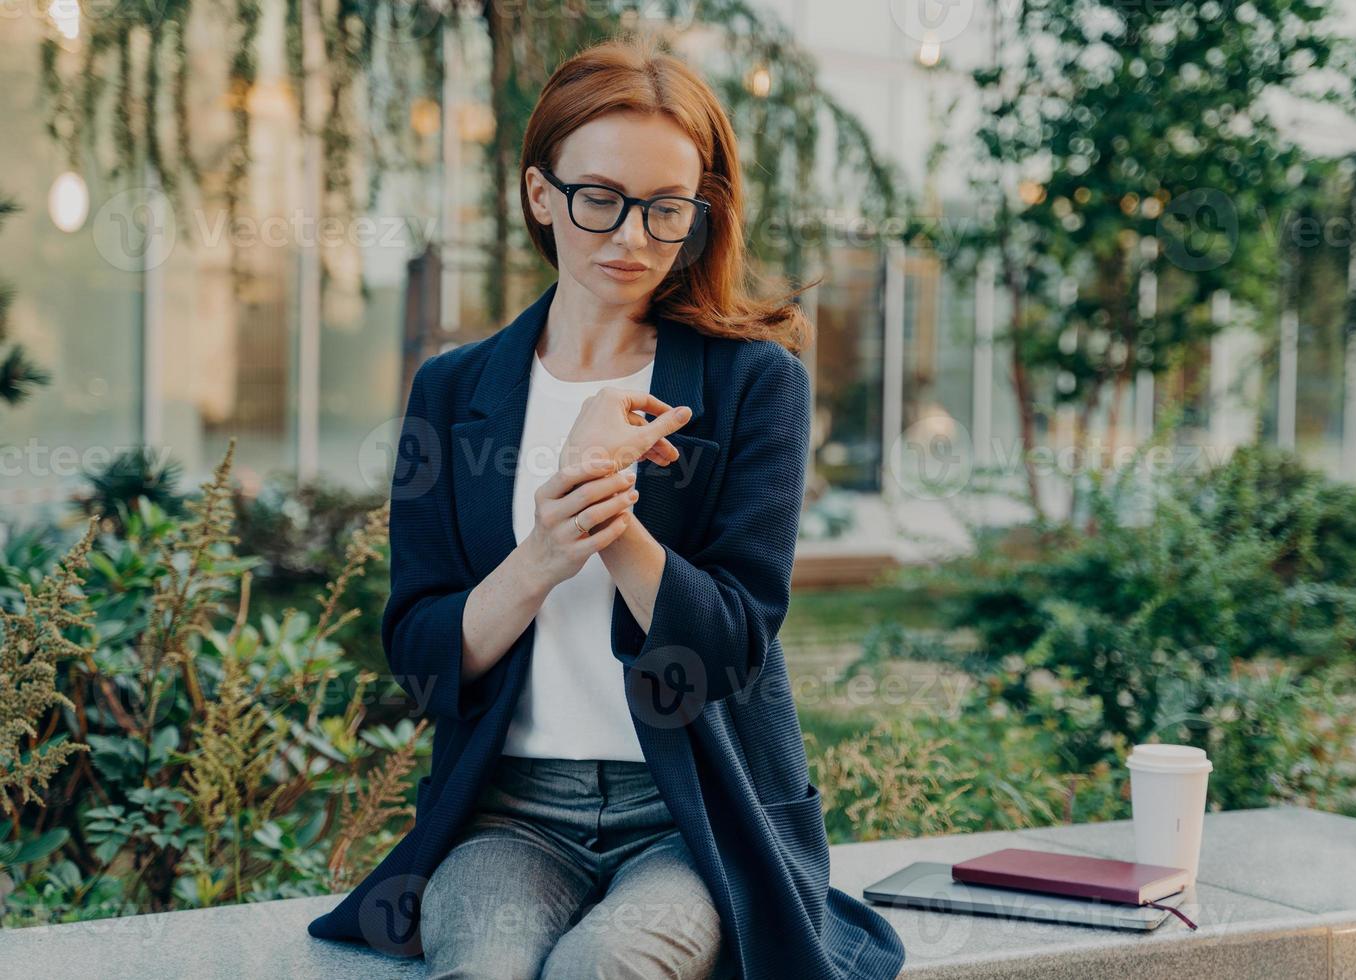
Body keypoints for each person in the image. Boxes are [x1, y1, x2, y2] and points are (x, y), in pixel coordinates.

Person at [306, 34, 906, 980]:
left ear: (700, 215)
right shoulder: (454, 392)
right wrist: (545, 551)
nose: (630, 238)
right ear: (541, 194)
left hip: (695, 815)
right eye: (600, 200)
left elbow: (734, 644)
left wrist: (614, 525)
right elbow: (420, 661)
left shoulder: (756, 384)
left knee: (607, 970)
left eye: (667, 209)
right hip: (509, 816)